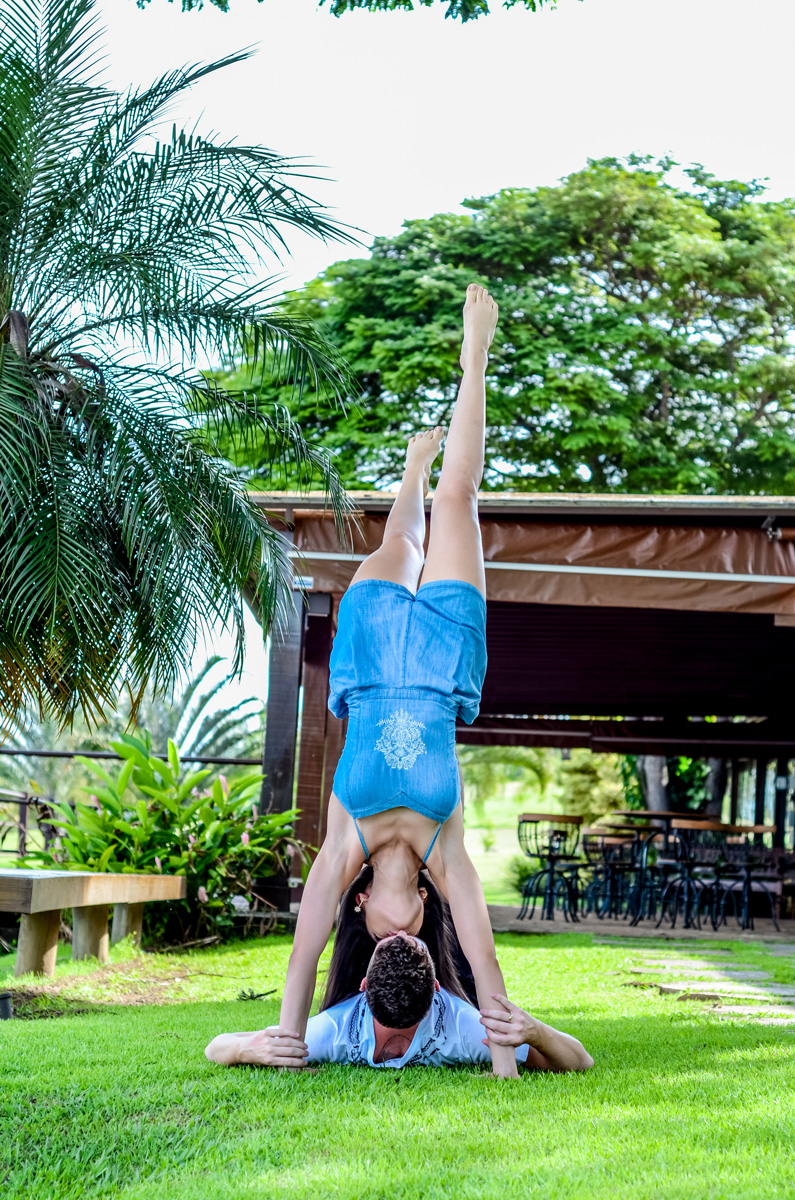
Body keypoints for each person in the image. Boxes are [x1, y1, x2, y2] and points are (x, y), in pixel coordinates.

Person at [276, 284, 522, 1077]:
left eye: (385, 939)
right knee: (460, 499)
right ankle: (475, 359)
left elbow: (305, 948)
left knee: (403, 535)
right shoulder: (440, 849)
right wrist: (504, 1057)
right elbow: (482, 959)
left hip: (377, 660)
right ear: (424, 902)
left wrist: (287, 1035)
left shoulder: (345, 835)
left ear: (363, 906)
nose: (402, 939)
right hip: (443, 666)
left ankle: (409, 469)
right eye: (414, 933)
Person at [205, 933, 594, 1072]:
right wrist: (537, 1034)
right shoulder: (464, 1031)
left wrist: (242, 1046)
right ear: (439, 988)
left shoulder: (331, 1033)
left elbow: (213, 1046)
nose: (402, 929)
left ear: (361, 987)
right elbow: (580, 1060)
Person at [321, 864, 477, 1011]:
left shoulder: (445, 927)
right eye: (383, 937)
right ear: (361, 901)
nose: (400, 936)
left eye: (410, 935)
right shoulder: (354, 944)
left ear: (423, 896)